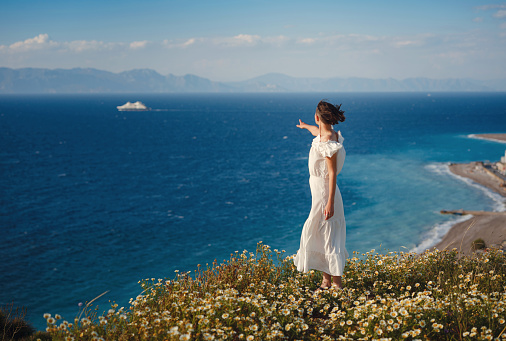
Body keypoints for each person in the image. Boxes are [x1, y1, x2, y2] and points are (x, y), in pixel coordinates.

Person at [293, 100, 348, 290]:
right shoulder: (330, 135)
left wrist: (329, 203)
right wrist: (306, 126)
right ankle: (326, 281)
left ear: (317, 117)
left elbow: (332, 174)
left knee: (329, 237)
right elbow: (317, 132)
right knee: (324, 234)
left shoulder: (328, 143)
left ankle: (337, 285)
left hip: (326, 194)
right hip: (321, 193)